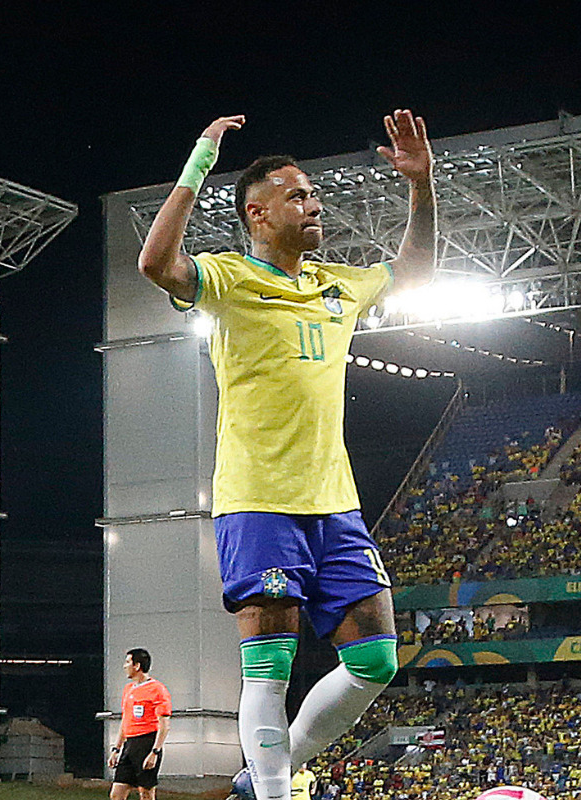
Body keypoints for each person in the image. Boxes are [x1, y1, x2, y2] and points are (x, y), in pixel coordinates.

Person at [137, 110, 437, 800]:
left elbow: (414, 270)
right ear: (258, 213)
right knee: (268, 669)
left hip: (335, 504)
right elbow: (156, 263)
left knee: (376, 660)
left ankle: (265, 777)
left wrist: (421, 186)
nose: (314, 205)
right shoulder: (229, 278)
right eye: (298, 196)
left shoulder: (338, 285)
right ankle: (274, 793)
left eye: (313, 195)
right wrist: (197, 166)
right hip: (259, 500)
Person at [109, 648, 172, 800]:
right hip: (130, 744)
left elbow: (164, 725)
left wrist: (154, 752)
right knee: (116, 794)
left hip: (147, 742)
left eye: (127, 662)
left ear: (137, 666)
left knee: (146, 793)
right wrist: (116, 748)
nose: (124, 666)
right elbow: (125, 721)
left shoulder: (157, 689)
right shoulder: (128, 689)